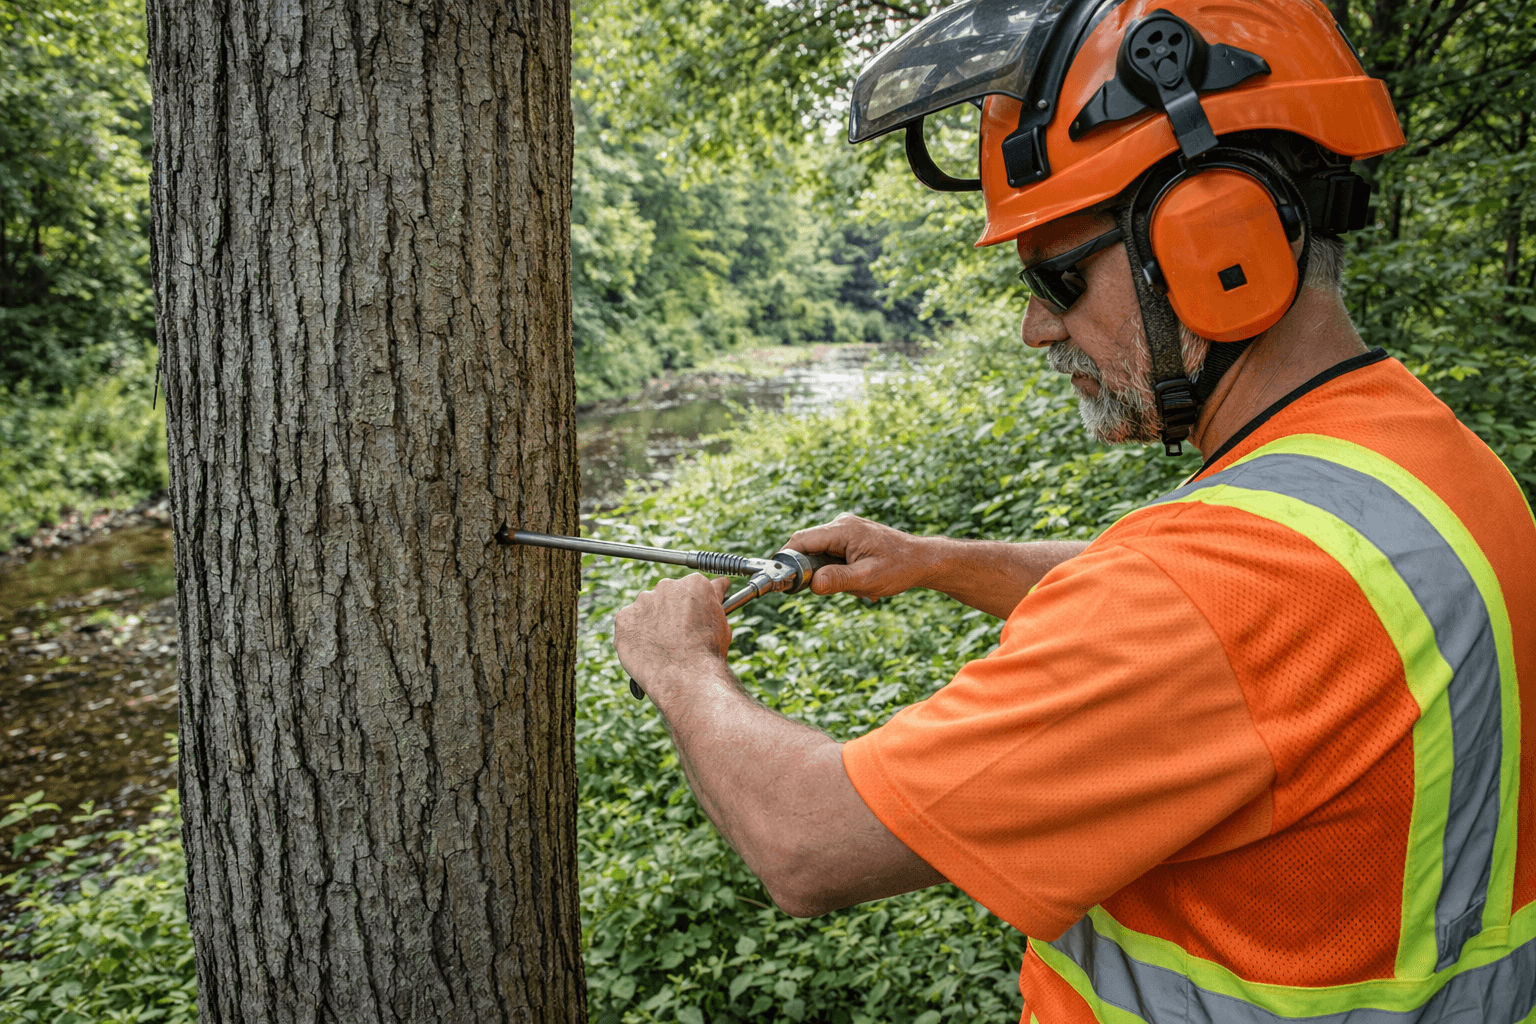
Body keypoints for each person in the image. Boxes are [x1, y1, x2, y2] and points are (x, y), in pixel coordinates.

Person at [612, 0, 1536, 1019]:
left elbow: (806, 842)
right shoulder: (1428, 462)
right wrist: (933, 558)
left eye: (1058, 272)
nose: (1034, 326)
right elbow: (1245, 651)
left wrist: (681, 664)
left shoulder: (1210, 591)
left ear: (1217, 241)